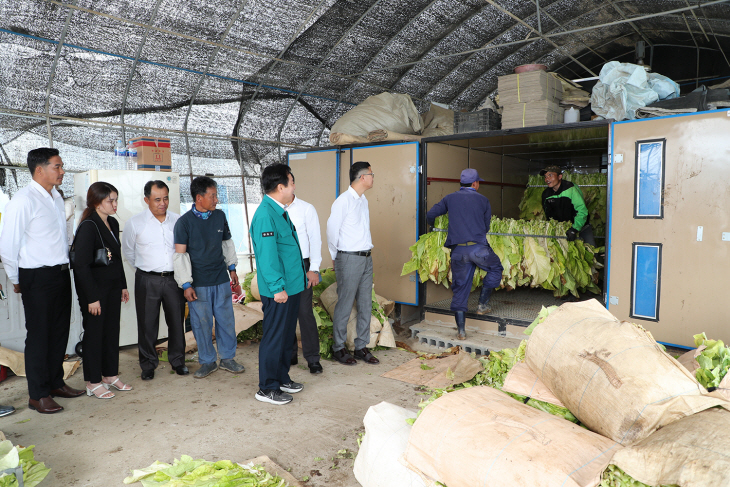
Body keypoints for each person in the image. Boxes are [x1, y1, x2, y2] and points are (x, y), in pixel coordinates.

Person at [0, 148, 84, 414]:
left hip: (59, 272)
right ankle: (37, 395)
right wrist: (16, 278)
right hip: (35, 275)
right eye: (57, 167)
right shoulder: (23, 200)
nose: (61, 171)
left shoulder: (56, 197)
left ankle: (55, 383)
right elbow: (8, 245)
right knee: (39, 336)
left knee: (59, 332)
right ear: (39, 169)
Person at [173, 177, 244, 379]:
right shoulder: (184, 223)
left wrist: (232, 268)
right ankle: (207, 361)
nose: (216, 199)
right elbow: (180, 256)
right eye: (212, 195)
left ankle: (228, 358)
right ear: (199, 197)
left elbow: (227, 243)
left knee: (226, 321)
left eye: (216, 195)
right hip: (199, 284)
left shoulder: (219, 216)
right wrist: (186, 284)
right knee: (201, 323)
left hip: (221, 279)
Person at [250, 164, 307, 405]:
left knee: (285, 337)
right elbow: (267, 257)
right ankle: (267, 388)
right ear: (280, 186)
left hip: (291, 287)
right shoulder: (265, 214)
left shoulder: (279, 210)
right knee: (274, 337)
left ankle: (281, 378)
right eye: (292, 182)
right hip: (279, 291)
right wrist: (277, 288)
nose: (294, 187)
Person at [122, 180, 188, 380]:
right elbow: (129, 253)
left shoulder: (178, 221)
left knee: (177, 323)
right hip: (146, 280)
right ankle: (148, 365)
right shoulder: (135, 223)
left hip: (173, 280)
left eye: (166, 198)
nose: (163, 203)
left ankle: (178, 361)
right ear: (146, 200)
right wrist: (146, 271)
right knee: (147, 324)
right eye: (157, 199)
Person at [426, 168, 503, 340]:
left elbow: (430, 214)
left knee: (460, 290)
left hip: (458, 251)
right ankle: (482, 305)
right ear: (475, 184)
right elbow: (486, 227)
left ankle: (461, 331)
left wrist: (432, 226)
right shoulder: (483, 200)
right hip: (479, 249)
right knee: (496, 268)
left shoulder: (449, 198)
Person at [73, 181, 132, 399]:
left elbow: (116, 259)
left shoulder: (113, 224)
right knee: (95, 335)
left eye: (116, 199)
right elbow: (80, 266)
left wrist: (123, 285)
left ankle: (109, 375)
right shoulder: (89, 226)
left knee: (110, 332)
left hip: (112, 287)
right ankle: (93, 381)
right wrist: (92, 298)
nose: (115, 204)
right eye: (111, 200)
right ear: (97, 202)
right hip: (94, 292)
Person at [326, 161, 379, 366]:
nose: (374, 177)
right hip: (348, 257)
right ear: (362, 177)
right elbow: (332, 230)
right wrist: (335, 255)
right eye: (372, 174)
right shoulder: (343, 201)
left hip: (366, 257)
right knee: (345, 303)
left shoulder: (363, 200)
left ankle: (361, 347)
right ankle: (338, 348)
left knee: (365, 303)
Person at [286, 194, 323, 374]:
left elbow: (315, 239)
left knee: (304, 312)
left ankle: (313, 358)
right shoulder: (273, 209)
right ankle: (290, 353)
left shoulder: (306, 208)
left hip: (303, 265)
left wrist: (313, 268)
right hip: (282, 266)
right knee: (286, 311)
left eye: (292, 182)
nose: (291, 186)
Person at [540, 165, 595, 246]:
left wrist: (574, 229)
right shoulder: (546, 194)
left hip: (581, 227)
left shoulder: (571, 189)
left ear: (560, 176)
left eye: (550, 175)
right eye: (545, 176)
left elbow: (581, 210)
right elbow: (549, 215)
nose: (547, 179)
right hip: (564, 231)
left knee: (591, 252)